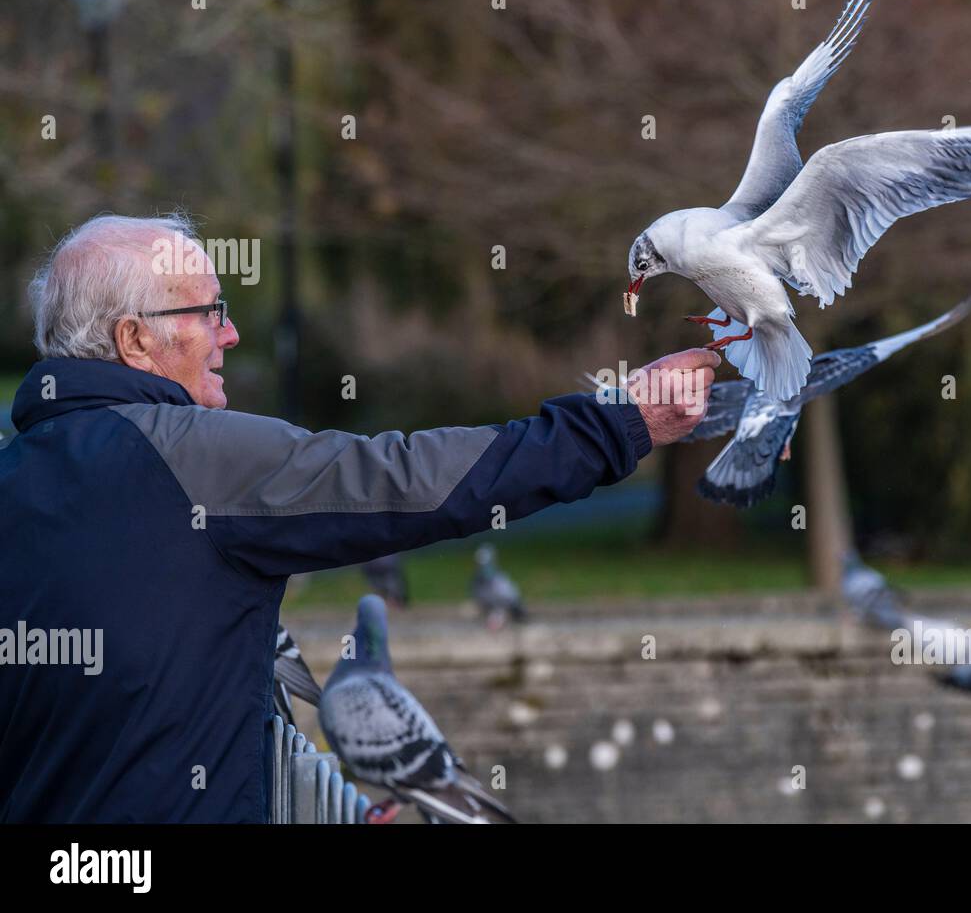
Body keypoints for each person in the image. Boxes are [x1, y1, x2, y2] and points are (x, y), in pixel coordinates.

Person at [0, 213, 717, 822]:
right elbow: (408, 482)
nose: (231, 334)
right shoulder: (194, 458)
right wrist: (619, 424)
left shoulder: (14, 478)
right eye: (208, 311)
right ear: (134, 341)